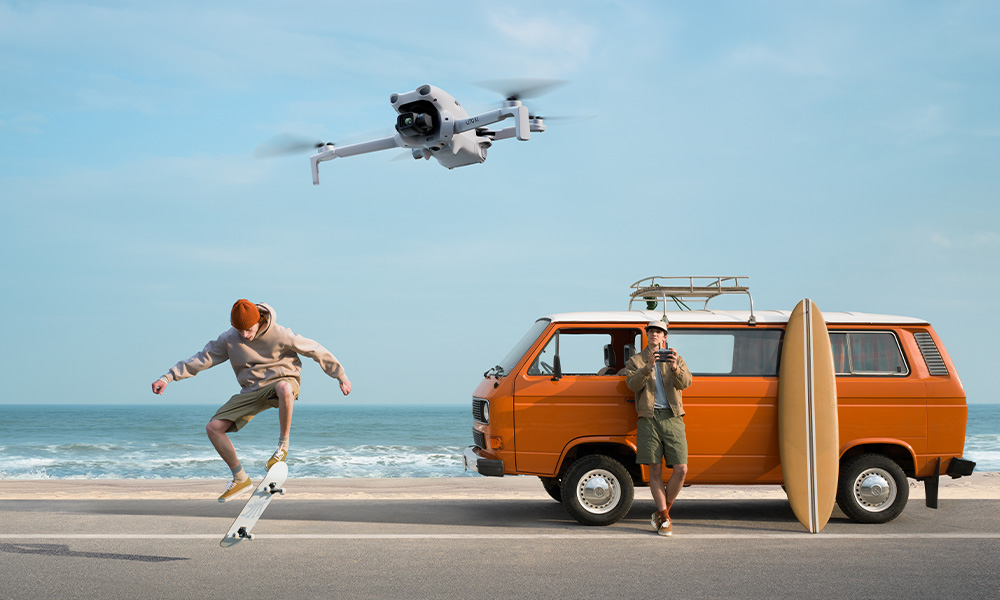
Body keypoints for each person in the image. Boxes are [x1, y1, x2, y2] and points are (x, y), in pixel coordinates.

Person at [151, 299, 351, 502]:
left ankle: (283, 446)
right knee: (213, 428)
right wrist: (168, 377)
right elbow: (202, 358)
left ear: (259, 320)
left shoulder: (281, 334)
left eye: (248, 329)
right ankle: (240, 478)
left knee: (284, 387)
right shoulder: (229, 339)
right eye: (240, 330)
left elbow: (315, 350)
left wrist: (340, 376)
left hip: (283, 380)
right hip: (252, 389)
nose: (245, 335)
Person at [624, 319, 692, 536]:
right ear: (647, 334)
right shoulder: (636, 360)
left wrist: (674, 368)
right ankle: (664, 516)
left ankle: (663, 514)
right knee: (654, 470)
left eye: (659, 331)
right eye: (651, 331)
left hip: (673, 417)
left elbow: (687, 383)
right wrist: (647, 368)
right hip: (648, 417)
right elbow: (632, 386)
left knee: (681, 469)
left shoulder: (675, 358)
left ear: (665, 337)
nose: (654, 334)